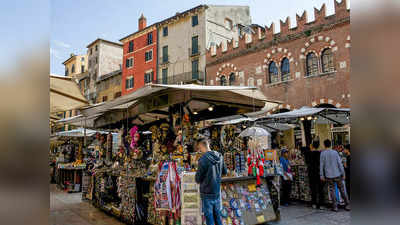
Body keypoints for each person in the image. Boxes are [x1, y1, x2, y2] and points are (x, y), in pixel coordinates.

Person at [195, 138, 227, 225]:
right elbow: (225, 172)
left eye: (199, 148)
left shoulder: (202, 160)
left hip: (206, 193)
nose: (199, 150)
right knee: (217, 216)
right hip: (216, 191)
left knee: (209, 218)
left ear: (201, 146)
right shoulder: (220, 156)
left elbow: (197, 179)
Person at [320, 139, 350, 211]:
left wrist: (321, 175)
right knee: (342, 190)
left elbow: (321, 165)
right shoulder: (335, 152)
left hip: (329, 175)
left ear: (324, 145)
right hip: (337, 174)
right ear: (330, 144)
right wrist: (343, 173)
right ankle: (347, 204)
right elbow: (339, 164)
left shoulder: (322, 153)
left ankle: (335, 206)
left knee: (332, 190)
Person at [302, 140, 325, 209]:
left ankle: (314, 203)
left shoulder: (308, 153)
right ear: (318, 146)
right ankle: (321, 204)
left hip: (311, 172)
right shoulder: (320, 154)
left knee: (313, 189)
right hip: (318, 172)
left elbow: (306, 162)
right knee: (320, 189)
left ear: (312, 146)